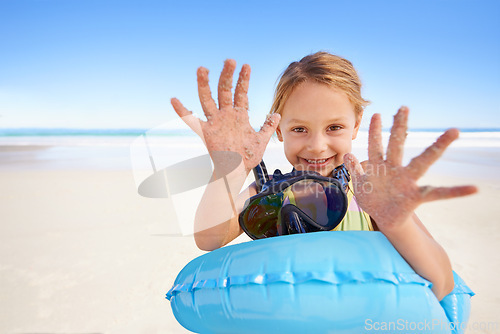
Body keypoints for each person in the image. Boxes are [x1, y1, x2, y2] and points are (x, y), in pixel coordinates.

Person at [170, 51, 478, 301]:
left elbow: (440, 282)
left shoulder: (370, 190)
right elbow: (209, 239)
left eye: (334, 127)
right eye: (299, 129)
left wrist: (396, 223)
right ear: (279, 130)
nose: (317, 146)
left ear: (356, 124)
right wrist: (230, 168)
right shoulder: (266, 193)